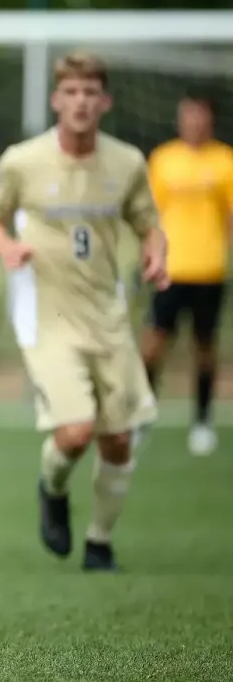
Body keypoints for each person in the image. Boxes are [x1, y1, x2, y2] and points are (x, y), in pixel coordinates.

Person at [0, 51, 169, 572]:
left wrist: (157, 252)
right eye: (72, 92)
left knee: (119, 439)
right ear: (57, 99)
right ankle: (51, 486)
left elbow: (149, 223)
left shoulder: (127, 162)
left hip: (108, 316)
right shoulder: (23, 161)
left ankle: (100, 543)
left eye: (90, 93)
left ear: (104, 102)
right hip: (50, 319)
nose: (81, 102)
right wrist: (7, 249)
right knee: (77, 431)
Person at [139, 91, 233, 456]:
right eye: (187, 116)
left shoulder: (225, 161)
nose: (193, 122)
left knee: (205, 347)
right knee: (152, 346)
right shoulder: (164, 160)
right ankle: (143, 418)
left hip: (209, 269)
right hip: (170, 269)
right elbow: (150, 214)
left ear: (209, 119)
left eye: (199, 116)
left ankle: (203, 421)